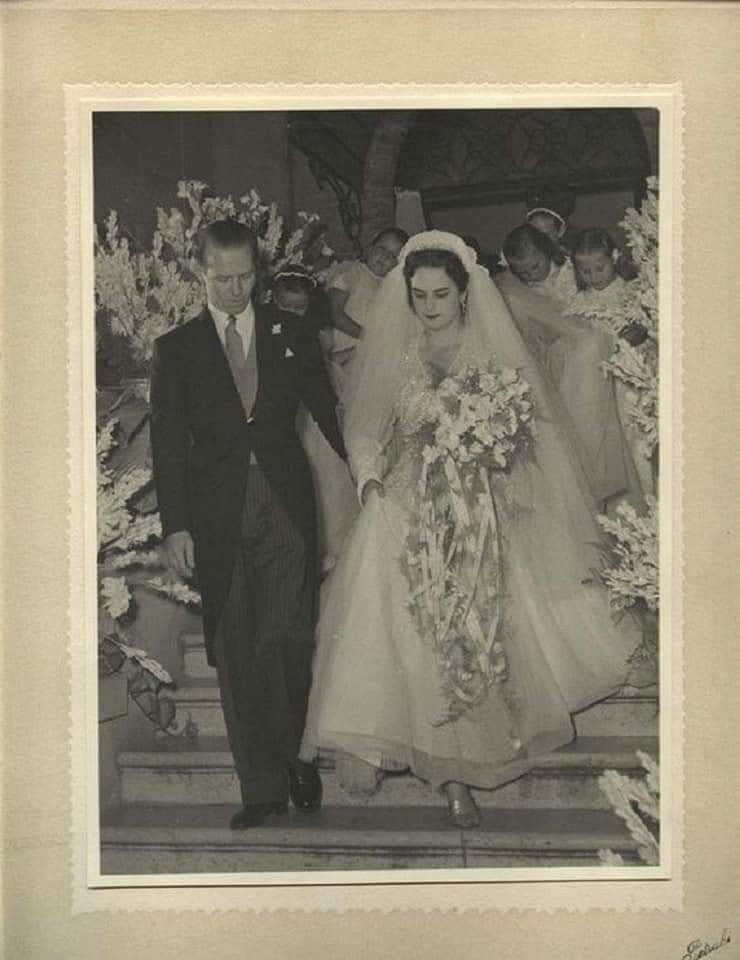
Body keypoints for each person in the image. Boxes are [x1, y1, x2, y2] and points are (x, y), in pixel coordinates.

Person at [300, 230, 640, 828]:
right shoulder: (398, 354)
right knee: (413, 633)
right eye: (419, 295)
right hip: (405, 505)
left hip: (480, 508)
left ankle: (471, 757)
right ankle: (447, 775)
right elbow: (364, 428)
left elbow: (527, 434)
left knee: (475, 631)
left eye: (440, 294)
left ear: (463, 293)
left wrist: (491, 455)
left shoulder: (490, 353)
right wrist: (370, 480)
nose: (430, 306)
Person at [150, 219, 346, 830]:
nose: (237, 290)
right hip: (216, 513)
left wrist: (371, 472)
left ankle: (296, 756)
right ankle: (260, 786)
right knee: (235, 646)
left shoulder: (292, 331)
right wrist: (176, 526)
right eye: (223, 279)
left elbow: (329, 411)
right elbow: (166, 444)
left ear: (257, 270)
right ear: (200, 272)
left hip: (284, 500)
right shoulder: (176, 348)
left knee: (287, 635)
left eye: (245, 277)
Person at [497, 224, 640, 510]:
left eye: (535, 266)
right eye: (522, 272)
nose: (531, 275)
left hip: (599, 354)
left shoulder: (575, 272)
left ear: (547, 252)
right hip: (568, 364)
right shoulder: (522, 294)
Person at [272, 265, 359, 573]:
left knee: (327, 475)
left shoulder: (313, 333)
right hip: (284, 414)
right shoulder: (267, 329)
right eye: (286, 307)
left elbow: (320, 389)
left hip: (312, 403)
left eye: (300, 308)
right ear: (274, 300)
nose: (294, 314)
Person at [570, 228, 653, 499]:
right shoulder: (579, 302)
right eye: (585, 271)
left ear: (614, 259)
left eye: (599, 268)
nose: (593, 276)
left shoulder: (632, 293)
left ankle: (651, 493)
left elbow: (648, 332)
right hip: (600, 383)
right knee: (611, 441)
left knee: (637, 437)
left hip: (631, 379)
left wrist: (638, 335)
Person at [324, 227, 408, 399]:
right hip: (349, 338)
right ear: (370, 248)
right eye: (382, 249)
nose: (385, 257)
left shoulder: (392, 287)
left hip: (375, 351)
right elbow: (335, 314)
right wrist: (367, 336)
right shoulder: (351, 272)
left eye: (393, 255)